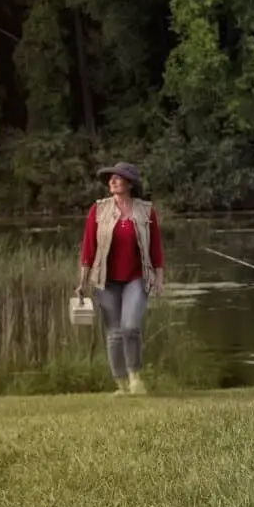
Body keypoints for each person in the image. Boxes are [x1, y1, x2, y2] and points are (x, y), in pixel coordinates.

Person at [76, 161, 165, 396]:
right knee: (114, 331)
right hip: (106, 280)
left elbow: (155, 247)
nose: (112, 181)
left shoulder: (146, 211)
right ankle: (121, 384)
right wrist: (82, 281)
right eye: (111, 178)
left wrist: (159, 277)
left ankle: (136, 377)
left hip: (137, 277)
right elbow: (88, 247)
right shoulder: (99, 209)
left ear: (130, 184)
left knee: (130, 326)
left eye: (118, 178)